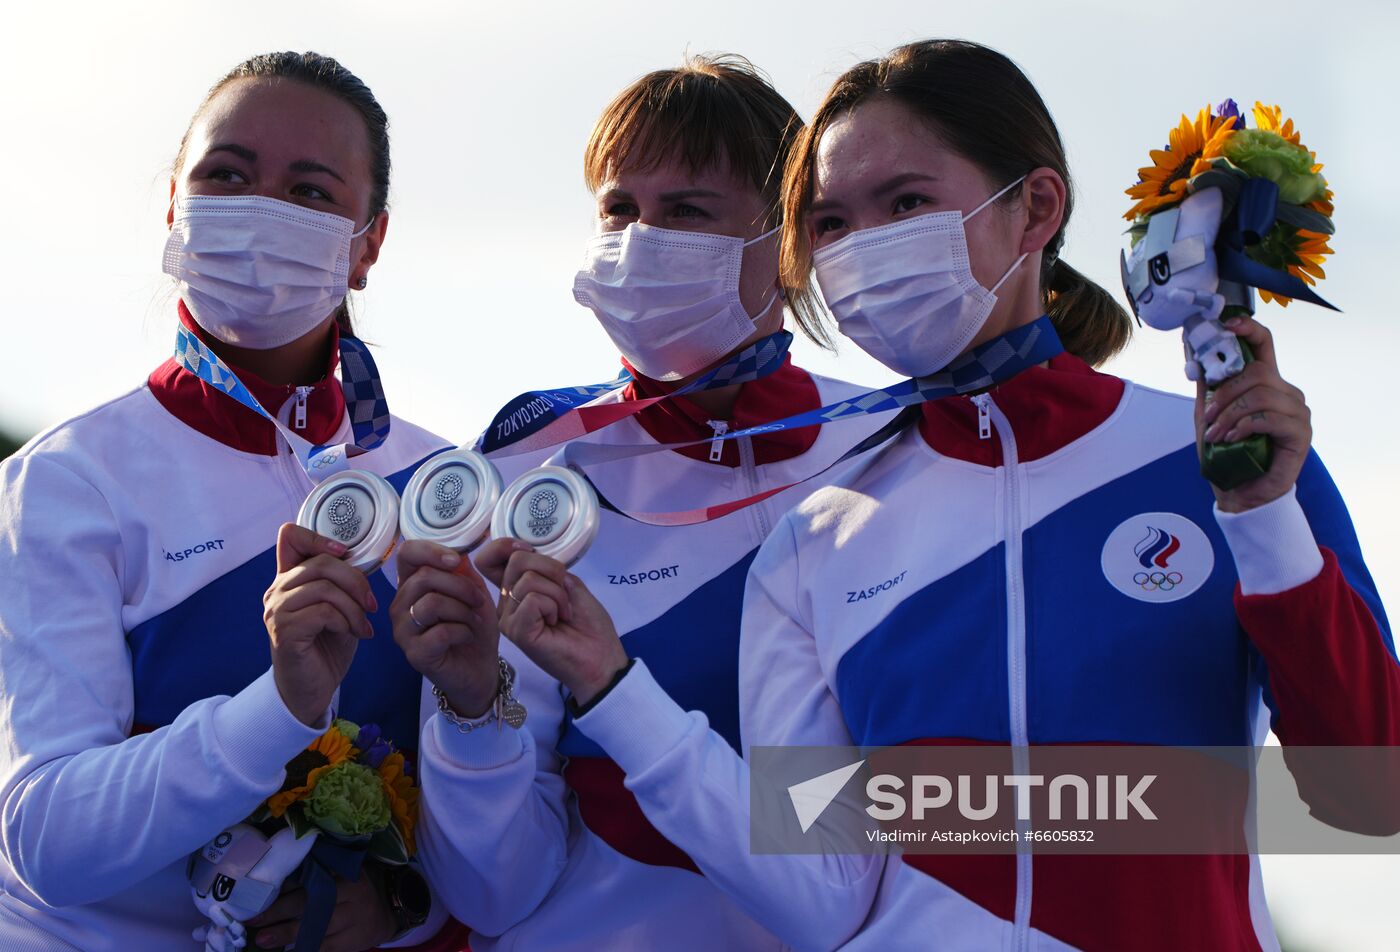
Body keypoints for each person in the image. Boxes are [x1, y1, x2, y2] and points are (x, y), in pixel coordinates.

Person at [730, 38, 1396, 950]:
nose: (861, 249)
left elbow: (1369, 792)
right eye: (832, 223)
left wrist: (1263, 516)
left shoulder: (1218, 456)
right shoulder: (810, 542)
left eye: (908, 202)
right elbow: (811, 884)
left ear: (1036, 207)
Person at [394, 55, 897, 950]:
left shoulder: (883, 456)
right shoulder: (523, 468)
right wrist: (473, 712)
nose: (639, 242)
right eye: (619, 209)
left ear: (789, 240)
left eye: (688, 212)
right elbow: (494, 894)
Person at [0, 52, 466, 951]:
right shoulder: (65, 481)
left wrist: (404, 909)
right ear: (174, 202)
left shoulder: (441, 485)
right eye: (227, 176)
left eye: (309, 191)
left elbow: (511, 823)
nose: (260, 210)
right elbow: (45, 841)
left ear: (368, 243)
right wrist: (281, 707)